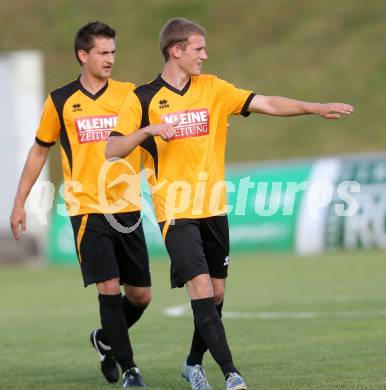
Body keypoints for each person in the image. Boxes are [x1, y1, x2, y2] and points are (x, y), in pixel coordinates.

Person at [106, 17, 354, 390]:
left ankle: (192, 363)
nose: (205, 55)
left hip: (214, 208)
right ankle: (232, 374)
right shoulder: (141, 99)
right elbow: (112, 149)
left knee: (217, 293)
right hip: (176, 212)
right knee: (201, 290)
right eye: (198, 48)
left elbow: (265, 101)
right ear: (176, 50)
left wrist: (314, 107)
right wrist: (147, 130)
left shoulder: (213, 89)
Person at [10, 22, 151, 388]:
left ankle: (105, 340)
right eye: (103, 53)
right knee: (109, 286)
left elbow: (152, 136)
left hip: (127, 206)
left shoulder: (130, 94)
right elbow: (39, 150)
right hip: (87, 209)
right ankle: (131, 369)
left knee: (140, 295)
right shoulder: (60, 101)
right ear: (82, 55)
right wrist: (19, 201)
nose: (110, 59)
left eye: (113, 52)